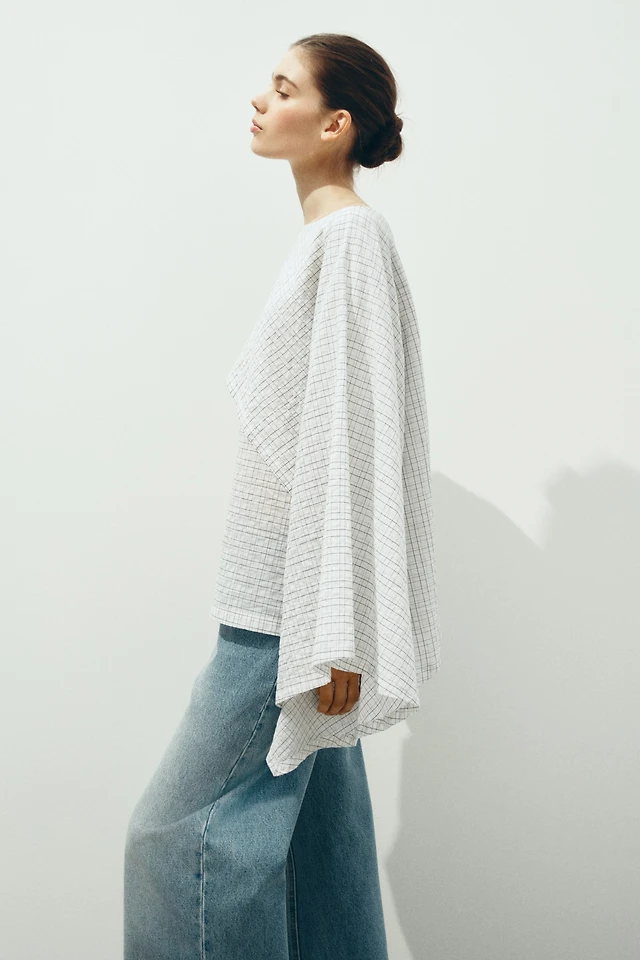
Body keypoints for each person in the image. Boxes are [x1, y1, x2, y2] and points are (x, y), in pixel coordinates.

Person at [123, 32, 441, 960]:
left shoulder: (347, 241)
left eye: (283, 87)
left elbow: (351, 438)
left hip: (287, 617)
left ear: (334, 124)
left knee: (174, 842)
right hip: (299, 610)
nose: (260, 101)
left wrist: (333, 627)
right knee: (317, 860)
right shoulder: (333, 241)